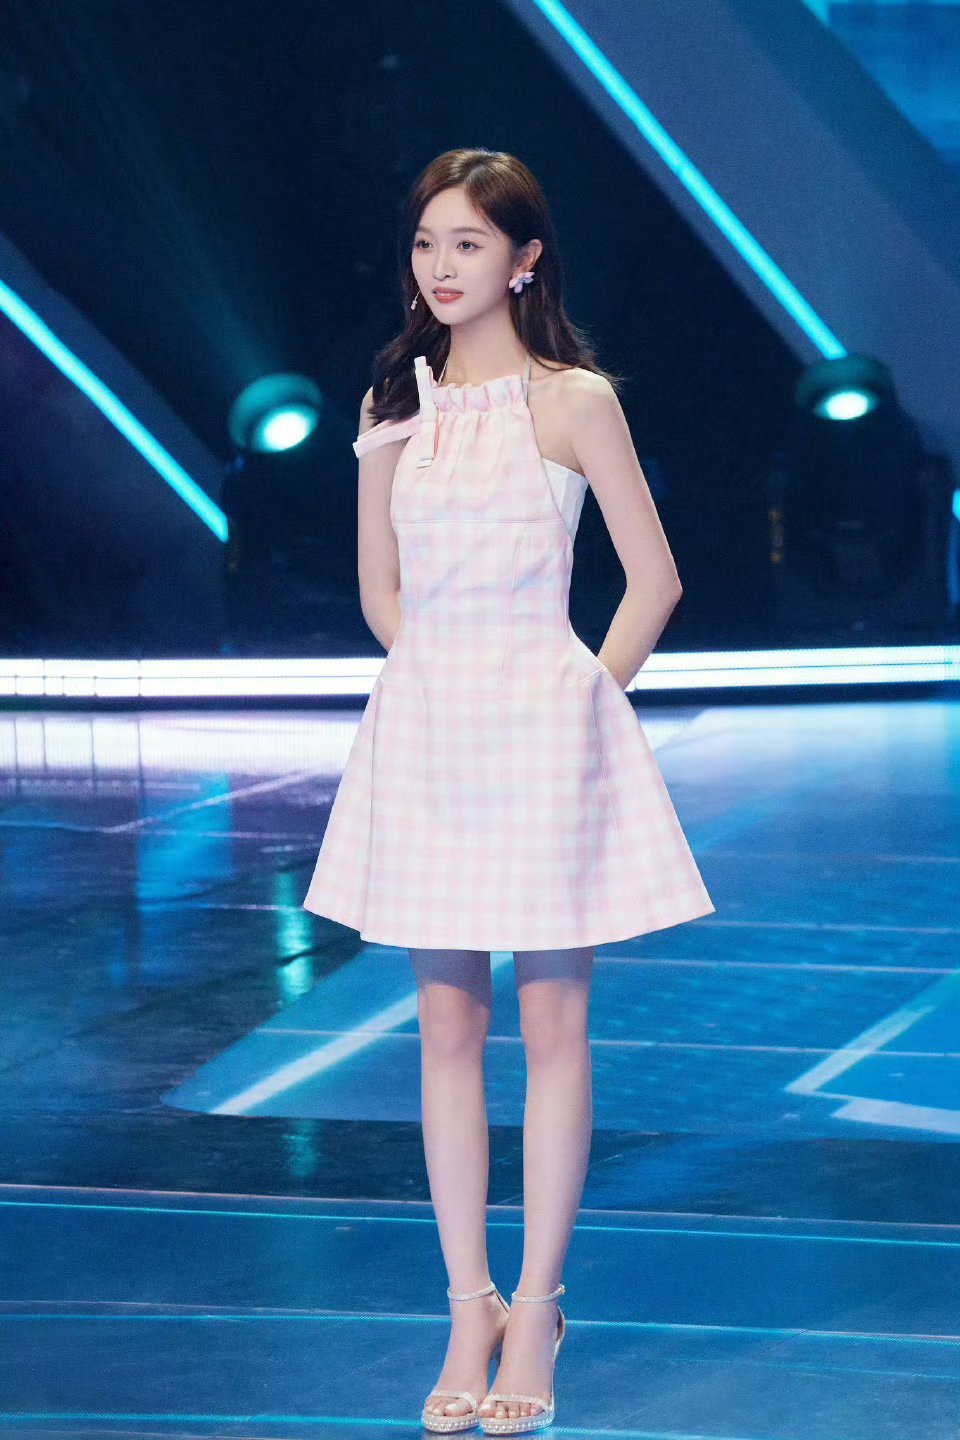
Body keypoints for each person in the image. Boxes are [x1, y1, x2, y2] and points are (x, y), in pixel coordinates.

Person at [302, 147, 715, 1434]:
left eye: (470, 243)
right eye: (428, 242)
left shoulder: (573, 400)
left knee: (551, 1029)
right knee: (442, 1030)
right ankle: (465, 1305)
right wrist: (437, 677)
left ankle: (537, 1308)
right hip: (429, 734)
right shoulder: (394, 403)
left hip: (542, 736)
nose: (442, 266)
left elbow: (654, 579)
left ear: (525, 260)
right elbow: (380, 592)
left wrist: (584, 696)